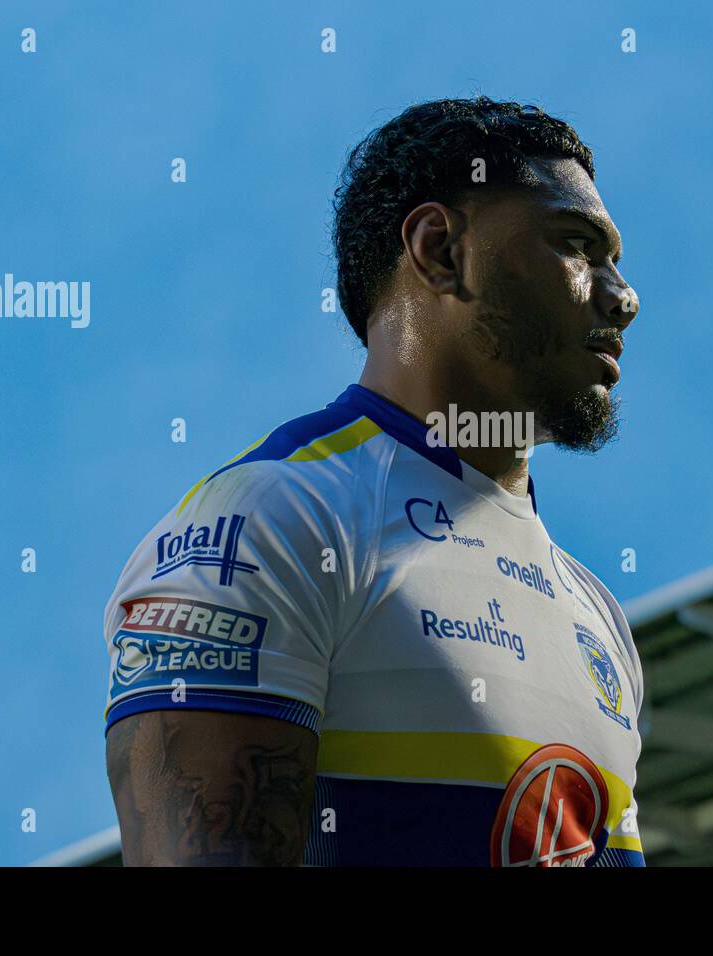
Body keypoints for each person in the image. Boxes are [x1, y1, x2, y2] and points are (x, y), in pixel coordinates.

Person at [104, 96, 643, 866]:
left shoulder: (598, 617)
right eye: (576, 244)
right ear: (439, 249)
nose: (623, 296)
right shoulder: (273, 520)